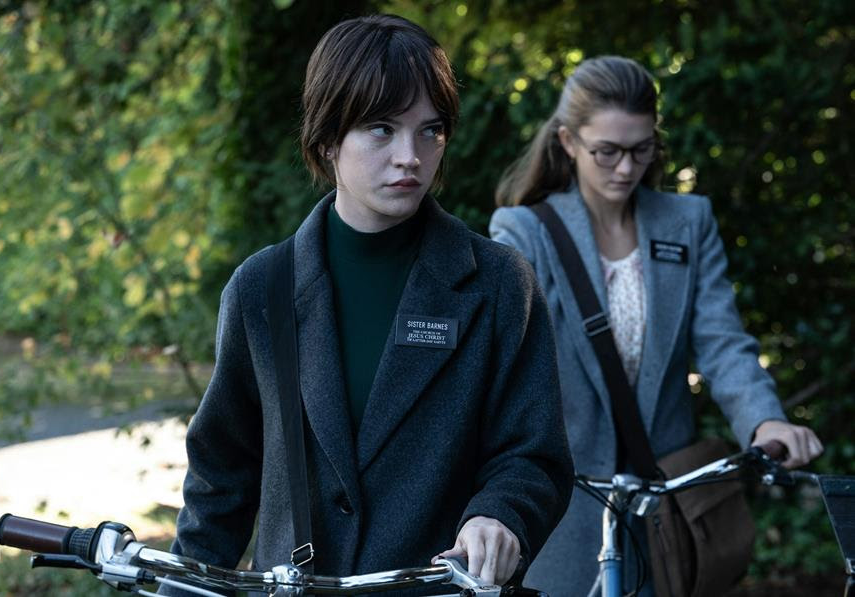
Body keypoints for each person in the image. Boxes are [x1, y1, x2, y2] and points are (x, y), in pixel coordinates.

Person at [163, 14, 574, 595]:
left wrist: (501, 514)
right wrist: (184, 587)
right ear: (327, 139)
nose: (410, 155)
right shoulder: (262, 287)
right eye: (381, 128)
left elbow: (532, 455)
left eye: (430, 131)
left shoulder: (500, 283)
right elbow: (221, 475)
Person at [489, 55, 823, 596]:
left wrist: (765, 423)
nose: (626, 168)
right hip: (564, 507)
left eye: (641, 149)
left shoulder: (688, 222)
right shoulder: (524, 232)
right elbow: (502, 365)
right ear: (569, 142)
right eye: (608, 152)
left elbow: (723, 343)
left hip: (669, 505)